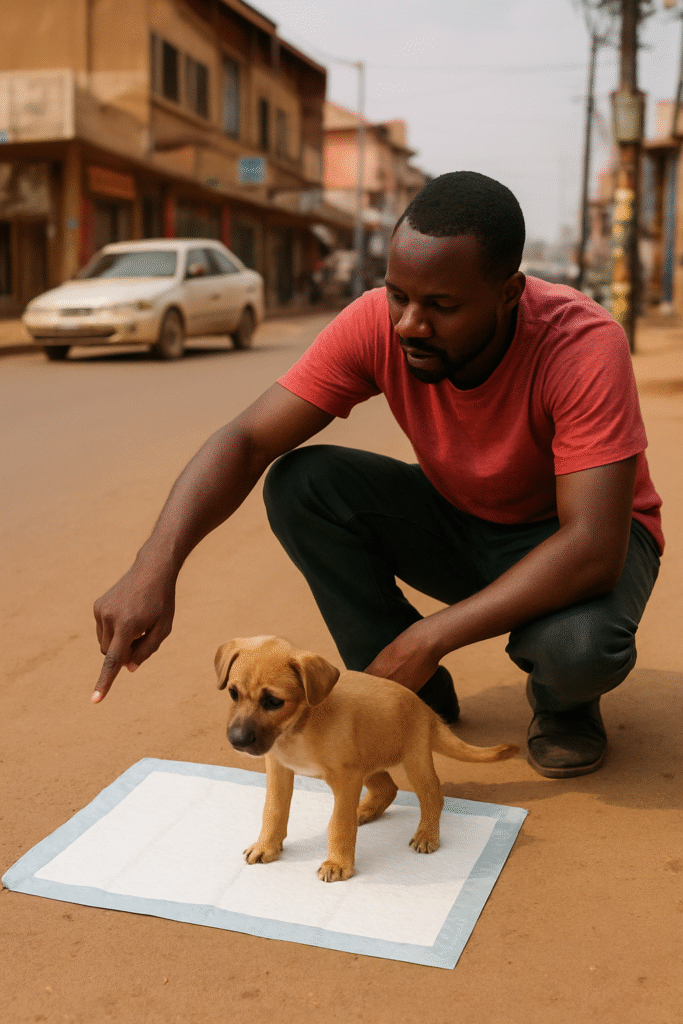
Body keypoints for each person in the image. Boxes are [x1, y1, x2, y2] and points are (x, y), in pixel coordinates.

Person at [93, 171, 662, 779]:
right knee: (302, 483)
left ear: (509, 294)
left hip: (576, 541)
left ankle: (564, 707)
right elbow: (247, 440)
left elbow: (592, 549)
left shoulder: (581, 345)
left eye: (442, 305)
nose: (410, 323)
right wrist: (157, 562)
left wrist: (430, 637)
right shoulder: (376, 323)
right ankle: (408, 694)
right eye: (398, 295)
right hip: (462, 519)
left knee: (577, 649)